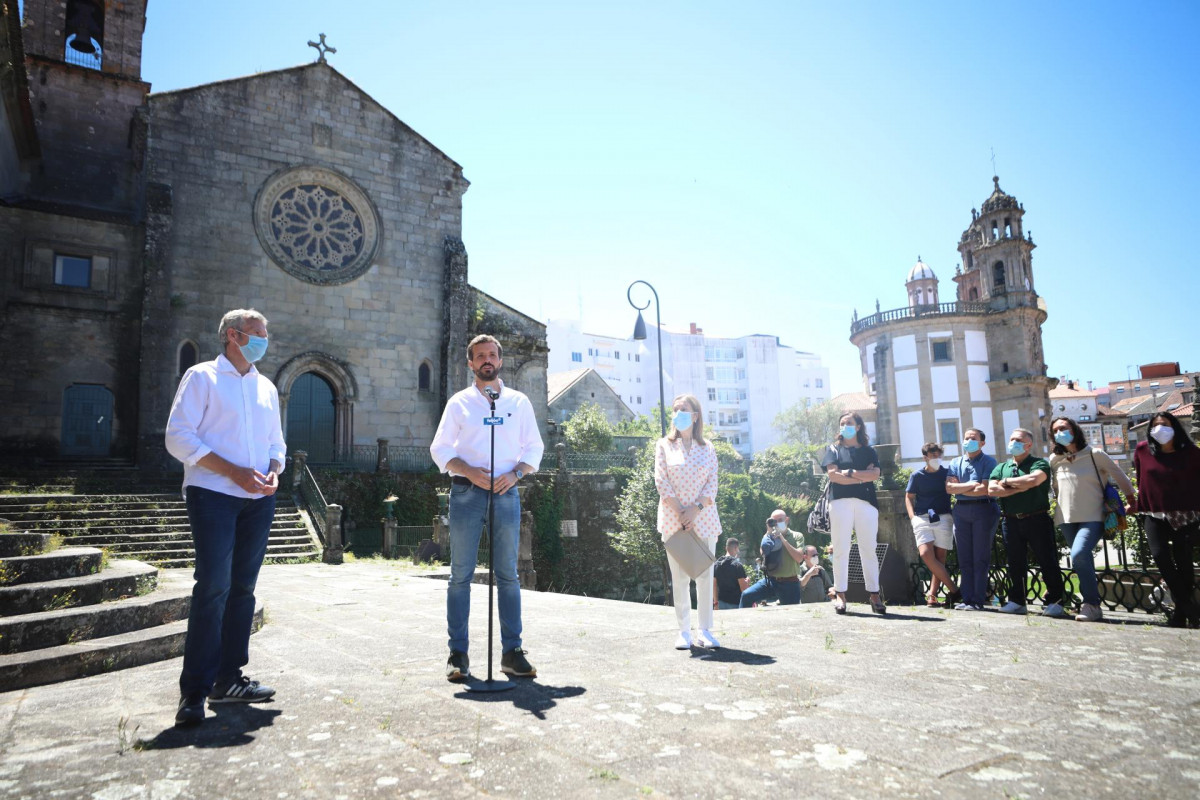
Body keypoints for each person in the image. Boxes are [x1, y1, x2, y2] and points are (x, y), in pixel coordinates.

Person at [165, 309, 286, 727]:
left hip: (258, 501)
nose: (264, 340)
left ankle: (229, 679)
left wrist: (273, 468)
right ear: (233, 336)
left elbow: (276, 441)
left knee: (243, 589)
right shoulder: (201, 378)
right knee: (213, 587)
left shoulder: (266, 387)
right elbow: (178, 437)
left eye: (265, 334)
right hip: (213, 495)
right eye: (258, 333)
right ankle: (193, 692)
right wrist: (231, 471)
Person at [430, 334, 544, 681]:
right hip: (466, 493)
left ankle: (512, 652)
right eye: (480, 356)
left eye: (492, 355)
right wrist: (468, 472)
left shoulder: (518, 402)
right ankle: (457, 654)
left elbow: (534, 447)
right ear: (470, 363)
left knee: (508, 574)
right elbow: (440, 449)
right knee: (459, 575)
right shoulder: (459, 404)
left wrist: (516, 473)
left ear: (500, 360)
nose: (487, 361)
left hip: (506, 492)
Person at [1049, 416, 1136, 623]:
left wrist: (1131, 500)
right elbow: (1055, 488)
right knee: (1082, 560)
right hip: (1066, 517)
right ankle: (1091, 603)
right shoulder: (1054, 460)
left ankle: (1091, 604)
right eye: (1056, 430)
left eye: (1064, 428)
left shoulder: (1094, 454)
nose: (1060, 432)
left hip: (1094, 515)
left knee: (1079, 553)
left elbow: (1120, 475)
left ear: (1074, 429)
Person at [655, 394, 722, 649]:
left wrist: (694, 510)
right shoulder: (663, 445)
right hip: (673, 520)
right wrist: (681, 512)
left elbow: (712, 483)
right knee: (680, 577)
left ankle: (705, 630)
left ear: (695, 415)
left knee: (705, 575)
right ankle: (683, 630)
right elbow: (661, 481)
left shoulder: (708, 448)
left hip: (703, 519)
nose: (678, 413)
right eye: (675, 409)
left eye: (683, 409)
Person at [1132, 412, 1200, 628]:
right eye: (1156, 425)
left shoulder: (1191, 453)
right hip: (1153, 514)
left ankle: (1180, 615)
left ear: (1175, 428)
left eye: (1165, 424)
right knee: (1160, 557)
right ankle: (1189, 607)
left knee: (1184, 563)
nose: (1160, 429)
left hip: (1185, 515)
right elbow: (1141, 478)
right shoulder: (1142, 450)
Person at [988, 428, 1066, 617]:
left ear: (1028, 444)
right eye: (1011, 439)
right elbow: (992, 490)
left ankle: (1055, 601)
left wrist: (1006, 483)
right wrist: (1020, 486)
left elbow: (1034, 479)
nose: (1012, 443)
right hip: (1011, 520)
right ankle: (1017, 601)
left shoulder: (1039, 463)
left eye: (1017, 440)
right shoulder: (1001, 466)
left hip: (1036, 518)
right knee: (1015, 563)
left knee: (1047, 560)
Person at [821, 412, 886, 614]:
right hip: (840, 502)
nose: (845, 426)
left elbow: (875, 474)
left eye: (849, 423)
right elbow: (833, 476)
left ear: (858, 427)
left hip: (866, 503)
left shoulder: (868, 451)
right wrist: (861, 477)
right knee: (841, 549)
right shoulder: (833, 450)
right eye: (842, 423)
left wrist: (848, 473)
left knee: (869, 549)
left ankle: (874, 594)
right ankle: (840, 593)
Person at [946, 428, 1000, 611]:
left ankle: (977, 600)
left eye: (973, 438)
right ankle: (967, 598)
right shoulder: (955, 462)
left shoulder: (989, 461)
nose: (969, 441)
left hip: (984, 509)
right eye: (966, 438)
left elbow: (984, 489)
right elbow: (949, 488)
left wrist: (960, 487)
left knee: (980, 557)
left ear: (982, 443)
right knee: (965, 557)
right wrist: (970, 485)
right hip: (961, 511)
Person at [906, 443, 961, 607]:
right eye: (933, 455)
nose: (936, 458)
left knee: (939, 558)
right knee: (925, 554)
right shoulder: (917, 475)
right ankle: (955, 590)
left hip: (943, 517)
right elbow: (909, 497)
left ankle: (932, 596)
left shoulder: (947, 473)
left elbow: (954, 489)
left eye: (938, 455)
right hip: (922, 518)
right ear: (925, 457)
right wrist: (912, 517)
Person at [739, 511, 808, 608]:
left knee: (791, 614)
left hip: (790, 583)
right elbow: (763, 553)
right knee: (746, 595)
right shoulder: (769, 536)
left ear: (787, 520)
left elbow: (799, 558)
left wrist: (782, 539)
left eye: (780, 520)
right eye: (774, 521)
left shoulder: (797, 536)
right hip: (771, 581)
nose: (777, 523)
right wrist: (768, 533)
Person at [713, 538, 749, 610]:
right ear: (736, 548)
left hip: (721, 603)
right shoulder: (737, 565)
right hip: (735, 604)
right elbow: (743, 588)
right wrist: (747, 582)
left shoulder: (716, 564)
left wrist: (716, 603)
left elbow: (714, 585)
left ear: (726, 548)